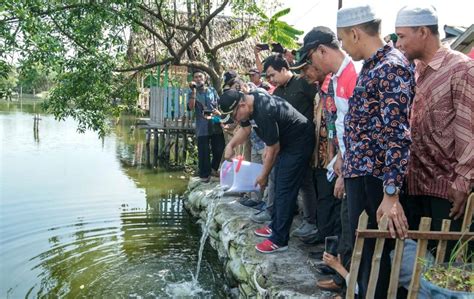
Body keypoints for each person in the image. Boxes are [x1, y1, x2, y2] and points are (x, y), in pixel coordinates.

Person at [336, 5, 415, 298]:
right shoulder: (371, 66)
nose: (343, 47)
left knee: (378, 259)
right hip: (361, 176)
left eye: (342, 40)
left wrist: (391, 193)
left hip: (376, 180)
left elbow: (397, 133)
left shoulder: (391, 67)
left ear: (355, 33)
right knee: (367, 257)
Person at [395, 5, 474, 257]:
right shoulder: (412, 71)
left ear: (423, 32)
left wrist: (463, 180)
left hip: (446, 192)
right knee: (414, 264)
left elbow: (468, 128)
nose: (398, 43)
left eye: (402, 36)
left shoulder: (461, 69)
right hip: (414, 185)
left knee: (446, 265)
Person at [297, 25, 358, 293]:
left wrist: (343, 166)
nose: (310, 68)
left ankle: (349, 285)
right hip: (341, 162)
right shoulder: (336, 79)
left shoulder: (353, 74)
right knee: (345, 222)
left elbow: (356, 129)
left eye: (310, 60)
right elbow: (341, 127)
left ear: (322, 50)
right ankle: (343, 281)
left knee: (348, 224)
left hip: (355, 168)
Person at [218, 89, 315, 253]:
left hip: (299, 142)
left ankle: (279, 239)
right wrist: (231, 145)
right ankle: (275, 225)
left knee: (285, 188)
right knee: (278, 183)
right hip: (286, 142)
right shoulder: (250, 105)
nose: (235, 119)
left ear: (242, 104)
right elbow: (245, 129)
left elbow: (273, 149)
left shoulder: (263, 111)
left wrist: (263, 175)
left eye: (234, 115)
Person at [263, 54, 320, 238]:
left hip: (306, 142)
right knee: (282, 183)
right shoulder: (277, 93)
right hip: (285, 145)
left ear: (284, 69)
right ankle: (280, 218)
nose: (271, 80)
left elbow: (319, 107)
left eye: (272, 75)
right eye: (268, 77)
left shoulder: (304, 84)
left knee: (306, 182)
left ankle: (310, 221)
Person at [187, 70, 225, 183]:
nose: (198, 79)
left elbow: (219, 103)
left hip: (215, 123)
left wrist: (219, 114)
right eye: (196, 77)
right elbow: (191, 107)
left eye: (200, 77)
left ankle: (213, 169)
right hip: (202, 126)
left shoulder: (212, 90)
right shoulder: (191, 93)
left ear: (205, 79)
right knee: (203, 151)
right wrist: (193, 92)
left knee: (219, 148)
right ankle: (204, 174)